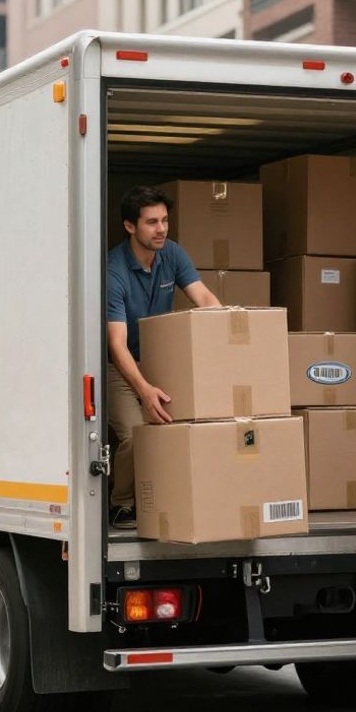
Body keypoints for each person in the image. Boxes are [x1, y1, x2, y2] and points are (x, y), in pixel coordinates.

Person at [106, 185, 221, 529]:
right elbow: (116, 344)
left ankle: (182, 497)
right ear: (130, 226)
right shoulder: (114, 272)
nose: (161, 229)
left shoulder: (172, 254)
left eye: (165, 221)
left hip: (162, 360)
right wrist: (142, 389)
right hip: (120, 366)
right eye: (151, 222)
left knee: (190, 425)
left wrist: (229, 333)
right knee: (135, 434)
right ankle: (122, 503)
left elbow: (203, 298)